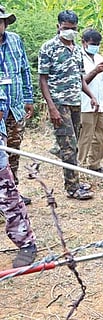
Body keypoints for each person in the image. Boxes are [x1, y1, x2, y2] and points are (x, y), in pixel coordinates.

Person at [38, 10, 98, 200]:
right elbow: (43, 79)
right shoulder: (49, 48)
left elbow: (80, 78)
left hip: (75, 102)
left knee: (73, 144)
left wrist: (91, 96)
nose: (69, 32)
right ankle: (72, 188)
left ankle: (72, 174)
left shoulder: (78, 50)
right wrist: (51, 107)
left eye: (73, 29)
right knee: (70, 146)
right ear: (58, 27)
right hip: (59, 102)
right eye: (66, 28)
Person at [0, 5, 34, 205]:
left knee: (14, 149)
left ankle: (12, 194)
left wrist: (28, 98)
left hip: (16, 105)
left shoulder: (15, 41)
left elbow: (24, 70)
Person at [77, 28, 103, 173]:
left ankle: (95, 164)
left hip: (102, 104)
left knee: (101, 136)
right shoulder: (78, 58)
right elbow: (81, 82)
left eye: (98, 43)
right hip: (86, 105)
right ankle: (79, 166)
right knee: (85, 137)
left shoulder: (99, 58)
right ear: (84, 42)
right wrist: (95, 71)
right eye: (93, 43)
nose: (95, 46)